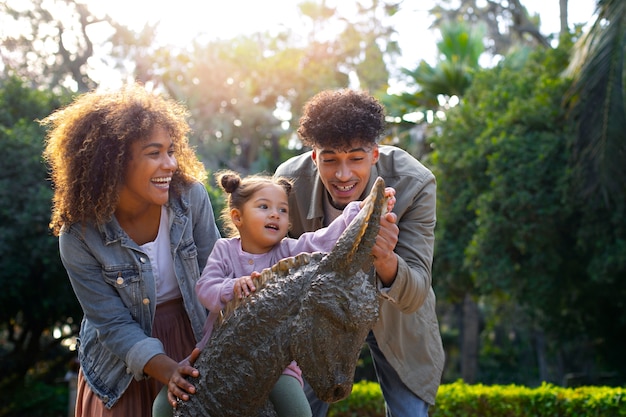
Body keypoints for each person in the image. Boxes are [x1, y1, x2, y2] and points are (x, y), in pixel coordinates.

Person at [41, 82, 221, 417]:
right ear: (113, 163)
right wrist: (166, 369)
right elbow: (110, 324)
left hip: (194, 339)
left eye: (170, 150)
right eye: (154, 153)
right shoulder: (79, 235)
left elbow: (218, 274)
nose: (169, 164)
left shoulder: (190, 198)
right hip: (120, 363)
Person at [274, 89, 445, 417]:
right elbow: (273, 265)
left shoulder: (416, 182)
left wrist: (385, 259)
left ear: (375, 154)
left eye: (355, 158)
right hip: (317, 320)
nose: (343, 175)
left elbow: (417, 291)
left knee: (410, 413)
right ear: (313, 157)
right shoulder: (289, 183)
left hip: (396, 320)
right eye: (330, 160)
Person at [177, 170, 396, 417]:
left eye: (282, 210)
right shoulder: (224, 250)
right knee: (165, 406)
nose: (275, 214)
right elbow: (205, 289)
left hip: (278, 367)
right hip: (218, 356)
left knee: (298, 411)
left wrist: (360, 211)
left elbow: (324, 241)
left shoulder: (288, 251)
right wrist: (231, 288)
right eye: (264, 207)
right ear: (237, 216)